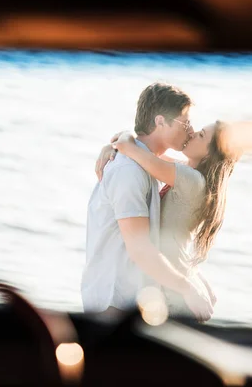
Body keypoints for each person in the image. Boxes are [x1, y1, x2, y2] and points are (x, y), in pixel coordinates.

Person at [81, 82, 214, 321]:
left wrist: (122, 140)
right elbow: (140, 249)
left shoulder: (146, 163)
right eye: (186, 123)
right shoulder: (129, 171)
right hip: (113, 302)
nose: (190, 131)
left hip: (131, 302)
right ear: (161, 122)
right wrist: (188, 289)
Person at [96, 120, 238, 315]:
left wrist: (118, 145)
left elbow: (132, 149)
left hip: (175, 293)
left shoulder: (192, 180)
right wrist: (114, 146)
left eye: (202, 135)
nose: (194, 133)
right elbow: (145, 151)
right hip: (172, 282)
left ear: (209, 154)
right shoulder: (189, 173)